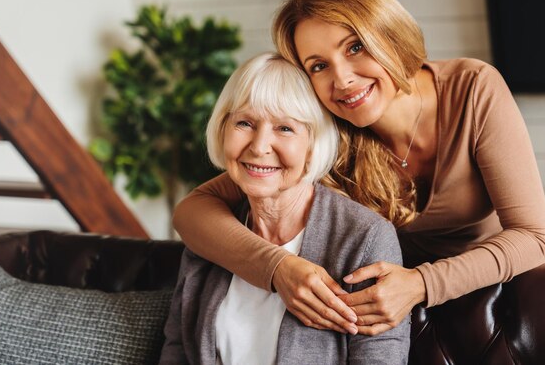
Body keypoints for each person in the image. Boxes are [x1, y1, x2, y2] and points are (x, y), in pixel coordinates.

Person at [172, 0, 545, 337]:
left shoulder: (472, 89)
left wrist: (419, 284)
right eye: (318, 66)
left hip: (488, 301)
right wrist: (277, 268)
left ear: (388, 34)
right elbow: (192, 211)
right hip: (376, 316)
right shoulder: (328, 129)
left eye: (355, 47)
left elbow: (533, 237)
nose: (342, 80)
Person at [160, 52, 410, 364]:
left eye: (285, 128)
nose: (259, 145)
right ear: (222, 128)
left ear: (313, 144)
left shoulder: (364, 237)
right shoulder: (213, 232)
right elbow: (178, 349)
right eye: (244, 123)